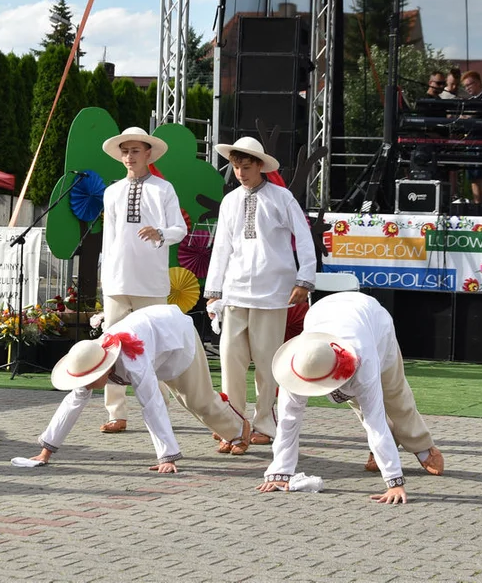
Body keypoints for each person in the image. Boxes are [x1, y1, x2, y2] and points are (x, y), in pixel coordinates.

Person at [257, 292, 444, 503]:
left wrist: (394, 482)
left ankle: (422, 445)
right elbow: (288, 421)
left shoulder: (364, 361)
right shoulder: (298, 365)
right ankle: (384, 447)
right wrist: (280, 472)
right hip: (326, 313)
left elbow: (375, 423)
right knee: (359, 402)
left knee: (394, 393)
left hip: (374, 322)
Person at [28, 305, 251, 471]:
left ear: (103, 369)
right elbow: (72, 404)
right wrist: (45, 452)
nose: (85, 386)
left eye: (88, 379)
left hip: (177, 337)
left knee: (195, 400)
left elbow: (151, 404)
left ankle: (239, 429)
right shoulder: (90, 357)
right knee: (190, 400)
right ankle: (231, 431)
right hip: (155, 344)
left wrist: (167, 457)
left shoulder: (133, 362)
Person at [204, 136, 316, 449]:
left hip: (272, 293)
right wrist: (213, 292)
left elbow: (304, 239)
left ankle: (264, 424)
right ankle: (233, 424)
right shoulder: (230, 201)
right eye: (236, 166)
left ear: (260, 166)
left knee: (267, 364)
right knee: (231, 361)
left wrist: (304, 280)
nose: (240, 171)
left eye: (246, 165)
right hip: (235, 292)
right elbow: (221, 247)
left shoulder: (282, 198)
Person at [97, 127, 186, 434]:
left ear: (149, 153)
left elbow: (179, 229)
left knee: (155, 348)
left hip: (151, 281)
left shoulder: (164, 189)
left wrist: (160, 233)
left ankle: (158, 406)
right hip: (117, 280)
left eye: (136, 151)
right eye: (125, 151)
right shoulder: (112, 192)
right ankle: (115, 412)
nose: (130, 156)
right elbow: (108, 239)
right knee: (110, 347)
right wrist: (104, 277)